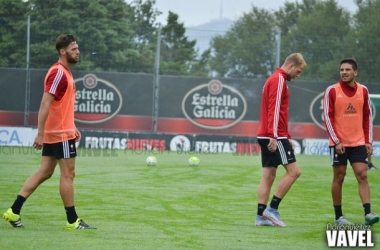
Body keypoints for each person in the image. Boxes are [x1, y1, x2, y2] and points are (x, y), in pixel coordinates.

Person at [2, 34, 96, 230]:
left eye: (77, 48)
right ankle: (72, 221)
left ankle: (13, 211)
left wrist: (73, 126)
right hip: (60, 134)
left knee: (45, 172)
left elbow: (61, 106)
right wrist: (40, 133)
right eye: (73, 49)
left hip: (63, 130)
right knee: (68, 174)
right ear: (62, 52)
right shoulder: (58, 72)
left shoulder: (66, 73)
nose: (77, 52)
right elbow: (45, 103)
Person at [323, 58, 379, 225]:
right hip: (338, 144)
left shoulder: (364, 90)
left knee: (362, 175)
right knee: (339, 177)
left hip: (359, 142)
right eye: (342, 70)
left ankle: (368, 213)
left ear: (355, 72)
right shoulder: (331, 91)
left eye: (347, 70)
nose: (344, 72)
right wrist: (336, 140)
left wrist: (368, 140)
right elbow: (327, 117)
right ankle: (339, 216)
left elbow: (368, 116)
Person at [255, 53, 307, 227]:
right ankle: (272, 209)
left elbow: (278, 112)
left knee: (268, 175)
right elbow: (274, 109)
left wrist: (287, 136)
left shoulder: (275, 79)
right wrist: (275, 136)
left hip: (268, 133)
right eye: (298, 71)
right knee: (294, 172)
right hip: (273, 134)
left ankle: (260, 217)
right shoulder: (278, 80)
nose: (298, 75)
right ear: (291, 66)